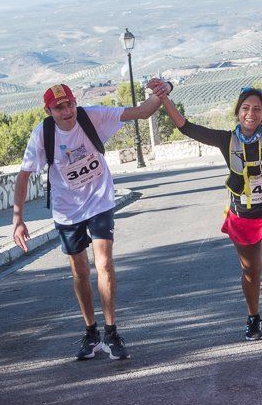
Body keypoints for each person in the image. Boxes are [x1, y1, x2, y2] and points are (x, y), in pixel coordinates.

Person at [157, 42, 262, 358]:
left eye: (257, 108)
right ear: (238, 112)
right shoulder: (225, 140)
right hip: (242, 216)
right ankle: (253, 316)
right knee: (250, 273)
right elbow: (186, 128)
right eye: (246, 108)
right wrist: (164, 99)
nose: (251, 113)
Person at [12, 80, 171, 361]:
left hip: (99, 201)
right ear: (48, 110)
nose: (66, 111)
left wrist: (165, 88)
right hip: (67, 210)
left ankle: (111, 332)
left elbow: (142, 112)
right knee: (80, 272)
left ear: (76, 102)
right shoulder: (42, 135)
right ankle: (91, 332)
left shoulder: (91, 117)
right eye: (58, 107)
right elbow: (24, 175)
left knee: (105, 263)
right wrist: (18, 220)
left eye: (70, 104)